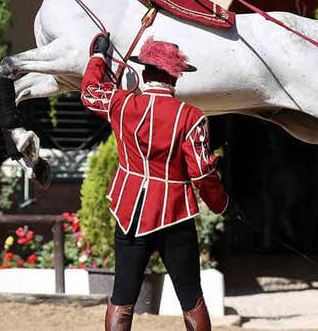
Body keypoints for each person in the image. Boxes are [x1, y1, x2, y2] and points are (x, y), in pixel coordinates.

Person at [81, 34, 239, 331]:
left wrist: (98, 57)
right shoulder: (191, 117)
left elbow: (90, 92)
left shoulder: (122, 103)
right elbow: (202, 174)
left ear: (144, 73)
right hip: (174, 214)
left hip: (128, 211)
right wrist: (224, 204)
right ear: (175, 78)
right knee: (191, 296)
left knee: (122, 296)